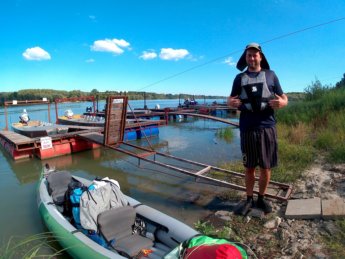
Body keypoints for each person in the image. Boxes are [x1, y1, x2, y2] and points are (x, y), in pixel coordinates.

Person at [228, 43, 288, 215]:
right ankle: (248, 199)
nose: (252, 58)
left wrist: (283, 103)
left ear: (261, 57)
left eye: (255, 55)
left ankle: (261, 198)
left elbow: (284, 97)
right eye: (249, 55)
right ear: (245, 58)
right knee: (249, 167)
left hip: (267, 127)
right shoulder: (239, 78)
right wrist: (230, 102)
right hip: (247, 128)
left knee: (266, 167)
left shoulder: (271, 75)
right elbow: (230, 98)